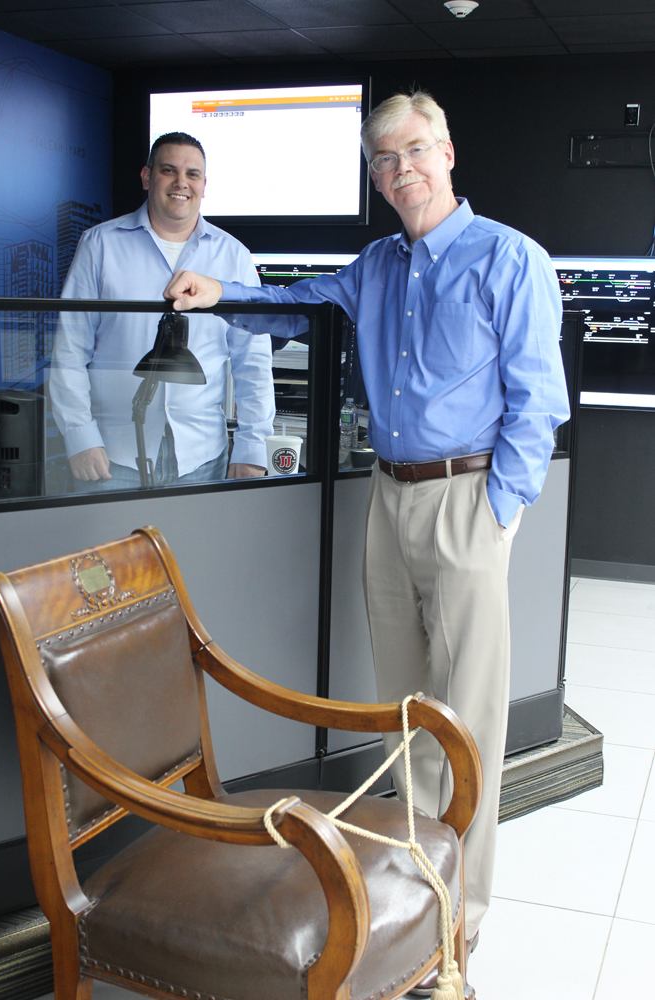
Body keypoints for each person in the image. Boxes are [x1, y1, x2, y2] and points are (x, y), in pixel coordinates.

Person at [162, 93, 570, 996]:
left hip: (467, 500)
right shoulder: (376, 264)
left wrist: (498, 513)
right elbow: (295, 303)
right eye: (382, 160)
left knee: (468, 725)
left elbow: (538, 405)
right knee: (407, 712)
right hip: (387, 501)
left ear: (448, 151)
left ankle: (459, 928)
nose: (400, 172)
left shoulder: (510, 259)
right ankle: (412, 897)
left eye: (414, 151)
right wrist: (219, 292)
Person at [50, 132, 274, 490]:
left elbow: (253, 362)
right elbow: (70, 350)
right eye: (169, 170)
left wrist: (251, 446)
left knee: (198, 549)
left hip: (203, 457)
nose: (181, 183)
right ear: (146, 177)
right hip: (110, 456)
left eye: (193, 174)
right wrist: (79, 435)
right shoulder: (101, 245)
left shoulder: (233, 256)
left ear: (204, 184)